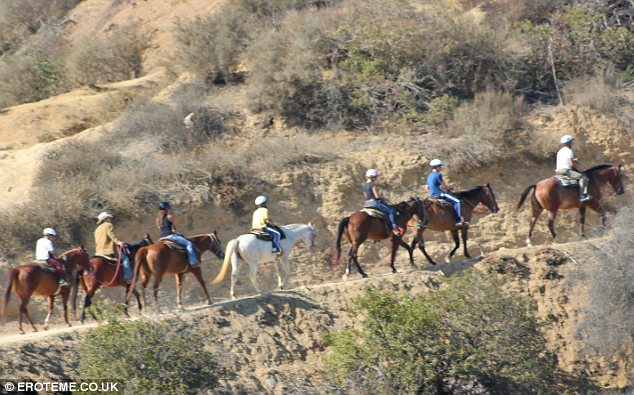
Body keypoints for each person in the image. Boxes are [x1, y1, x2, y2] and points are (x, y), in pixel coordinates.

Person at [156, 201, 200, 267]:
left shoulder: (157, 219)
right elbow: (174, 228)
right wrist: (174, 232)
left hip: (162, 238)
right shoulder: (170, 217)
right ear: (166, 209)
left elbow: (160, 228)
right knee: (189, 244)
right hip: (170, 236)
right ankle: (193, 262)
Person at [426, 159, 467, 227]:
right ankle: (458, 221)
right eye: (440, 166)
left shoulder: (429, 176)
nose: (441, 168)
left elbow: (427, 188)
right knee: (458, 201)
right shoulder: (438, 175)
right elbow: (444, 186)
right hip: (439, 194)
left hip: (431, 195)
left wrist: (433, 191)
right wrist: (450, 188)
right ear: (437, 167)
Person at [94, 212, 133, 282]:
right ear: (105, 219)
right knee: (125, 258)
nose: (110, 219)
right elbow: (111, 235)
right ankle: (128, 277)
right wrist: (119, 242)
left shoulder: (97, 230)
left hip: (98, 252)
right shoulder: (108, 225)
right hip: (107, 250)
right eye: (108, 218)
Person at [363, 169, 401, 235]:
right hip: (374, 203)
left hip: (367, 203)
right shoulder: (372, 185)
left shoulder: (364, 186)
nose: (376, 178)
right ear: (372, 177)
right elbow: (377, 196)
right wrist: (383, 198)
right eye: (375, 176)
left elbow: (366, 196)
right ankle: (394, 227)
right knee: (391, 211)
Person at [556, 134, 590, 202]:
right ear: (569, 143)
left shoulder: (560, 151)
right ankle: (582, 196)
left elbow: (564, 161)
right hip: (566, 171)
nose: (572, 143)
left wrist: (573, 160)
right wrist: (575, 163)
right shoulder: (569, 151)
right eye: (572, 142)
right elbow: (571, 165)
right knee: (583, 177)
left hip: (558, 171)